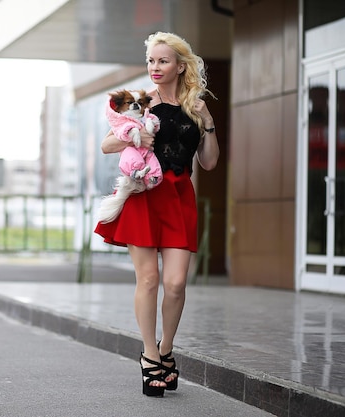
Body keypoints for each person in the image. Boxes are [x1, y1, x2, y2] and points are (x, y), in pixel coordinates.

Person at [94, 31, 219, 397]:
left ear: (181, 66)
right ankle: (150, 356)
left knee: (176, 284)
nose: (155, 67)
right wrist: (135, 138)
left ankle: (167, 348)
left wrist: (208, 120)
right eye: (151, 61)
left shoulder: (197, 105)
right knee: (148, 280)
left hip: (179, 196)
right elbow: (107, 143)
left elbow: (209, 163)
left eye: (163, 61)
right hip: (144, 195)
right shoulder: (140, 101)